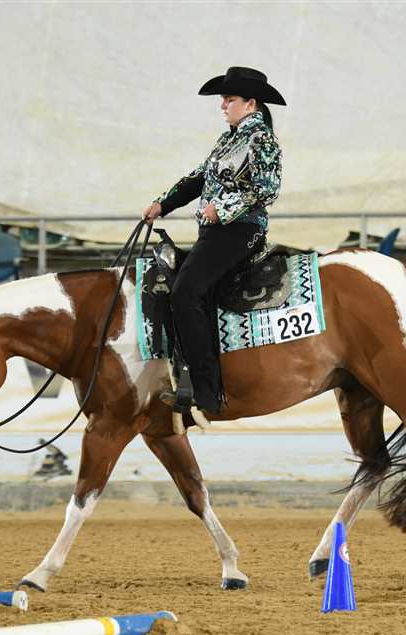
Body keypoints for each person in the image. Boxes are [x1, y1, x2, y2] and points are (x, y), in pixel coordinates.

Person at [142, 66, 285, 414]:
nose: (223, 105)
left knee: (186, 291)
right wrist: (164, 203)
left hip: (240, 230)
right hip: (217, 232)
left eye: (229, 99)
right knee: (186, 286)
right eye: (223, 99)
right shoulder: (228, 140)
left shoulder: (261, 139)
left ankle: (204, 390)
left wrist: (222, 209)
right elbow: (199, 178)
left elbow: (267, 188)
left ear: (250, 103)